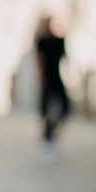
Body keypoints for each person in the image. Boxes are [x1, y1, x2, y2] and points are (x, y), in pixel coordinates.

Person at [34, 15, 70, 162]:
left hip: (57, 79)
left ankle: (52, 136)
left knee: (65, 110)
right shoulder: (42, 41)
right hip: (46, 81)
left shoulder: (59, 40)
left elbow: (66, 58)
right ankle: (47, 139)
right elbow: (37, 60)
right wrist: (40, 78)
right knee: (45, 112)